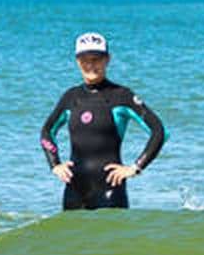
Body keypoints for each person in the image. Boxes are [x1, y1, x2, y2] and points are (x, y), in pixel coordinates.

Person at [40, 32, 166, 210]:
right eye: (85, 59)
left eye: (96, 59)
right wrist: (55, 165)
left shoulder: (122, 96)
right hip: (74, 189)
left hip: (110, 189)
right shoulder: (71, 97)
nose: (91, 65)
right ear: (77, 61)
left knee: (113, 238)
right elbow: (47, 131)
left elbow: (159, 131)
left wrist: (135, 168)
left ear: (108, 59)